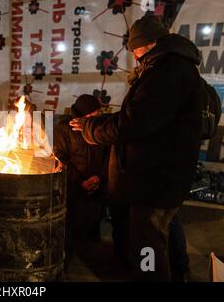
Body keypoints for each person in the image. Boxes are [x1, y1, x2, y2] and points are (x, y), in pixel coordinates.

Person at [70, 15, 202, 281]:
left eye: (137, 49)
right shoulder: (169, 67)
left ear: (152, 43)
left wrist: (91, 130)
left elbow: (133, 123)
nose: (136, 55)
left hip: (154, 181)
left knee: (147, 247)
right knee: (153, 240)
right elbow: (136, 115)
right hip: (158, 178)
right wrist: (98, 122)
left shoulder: (167, 72)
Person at [53, 95, 108, 271]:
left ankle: (92, 258)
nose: (98, 116)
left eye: (99, 113)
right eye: (94, 113)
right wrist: (80, 182)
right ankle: (65, 265)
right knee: (69, 229)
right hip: (73, 190)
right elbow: (60, 159)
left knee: (91, 224)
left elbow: (108, 156)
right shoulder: (63, 130)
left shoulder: (101, 128)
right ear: (84, 115)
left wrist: (99, 177)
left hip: (96, 187)